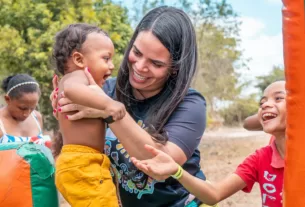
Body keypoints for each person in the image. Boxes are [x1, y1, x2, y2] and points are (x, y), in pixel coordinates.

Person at [51, 6, 208, 207]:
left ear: (175, 69)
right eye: (136, 52)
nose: (140, 66)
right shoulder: (103, 88)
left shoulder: (190, 104)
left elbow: (162, 161)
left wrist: (110, 112)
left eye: (156, 63)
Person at [131, 80, 286, 207]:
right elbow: (214, 194)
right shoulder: (261, 158)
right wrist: (177, 171)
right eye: (262, 102)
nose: (265, 104)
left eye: (278, 98)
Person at [52, 23, 126, 207]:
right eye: (106, 58)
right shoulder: (77, 77)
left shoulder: (80, 81)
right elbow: (71, 89)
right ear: (78, 59)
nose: (111, 65)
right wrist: (109, 104)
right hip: (82, 163)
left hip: (82, 163)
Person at [0, 74, 50, 147]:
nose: (26, 114)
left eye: (32, 108)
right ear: (8, 99)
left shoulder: (37, 117)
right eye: (22, 108)